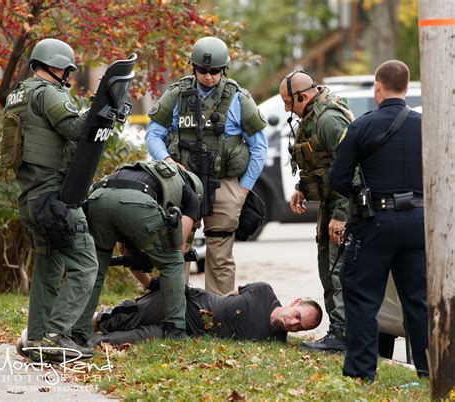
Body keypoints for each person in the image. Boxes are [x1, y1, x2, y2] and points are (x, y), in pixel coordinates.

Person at [329, 60, 428, 381]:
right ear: (405, 86)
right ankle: (430, 372)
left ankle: (360, 373)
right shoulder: (424, 126)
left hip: (377, 220)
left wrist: (362, 193)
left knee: (360, 293)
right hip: (418, 221)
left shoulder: (363, 126)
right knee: (417, 300)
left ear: (378, 87)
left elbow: (338, 178)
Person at [145, 36, 268, 295]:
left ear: (223, 69)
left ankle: (220, 311)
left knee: (220, 251)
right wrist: (167, 161)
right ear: (193, 67)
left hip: (224, 184)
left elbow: (259, 146)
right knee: (176, 246)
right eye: (203, 70)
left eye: (214, 71)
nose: (209, 76)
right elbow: (153, 133)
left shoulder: (239, 98)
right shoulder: (177, 94)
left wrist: (243, 190)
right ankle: (174, 309)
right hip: (183, 183)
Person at [3, 38, 98, 361]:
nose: (67, 74)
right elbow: (74, 128)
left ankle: (38, 338)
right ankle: (57, 335)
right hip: (56, 197)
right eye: (65, 68)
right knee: (86, 263)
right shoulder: (48, 93)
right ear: (52, 66)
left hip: (31, 197)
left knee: (49, 263)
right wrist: (100, 109)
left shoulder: (19, 94)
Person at [69, 160, 203, 342]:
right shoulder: (191, 197)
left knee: (96, 269)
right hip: (135, 202)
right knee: (171, 262)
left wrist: (149, 283)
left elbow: (128, 255)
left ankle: (79, 332)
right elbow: (176, 249)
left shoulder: (144, 171)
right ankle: (175, 331)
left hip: (98, 197)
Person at [279, 71, 353, 351]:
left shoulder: (329, 119)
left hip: (342, 205)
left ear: (304, 97)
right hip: (329, 203)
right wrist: (302, 187)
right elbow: (319, 160)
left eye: (289, 102)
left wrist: (342, 216)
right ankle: (338, 331)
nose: (287, 108)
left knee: (336, 269)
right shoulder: (312, 118)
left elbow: (352, 167)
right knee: (327, 267)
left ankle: (343, 335)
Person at [89, 282, 322, 345]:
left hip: (181, 333)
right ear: (296, 302)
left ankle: (81, 346)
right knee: (122, 317)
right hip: (186, 302)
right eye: (298, 316)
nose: (293, 323)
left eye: (300, 328)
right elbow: (231, 293)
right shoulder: (264, 291)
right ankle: (77, 328)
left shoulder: (275, 341)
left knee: (119, 340)